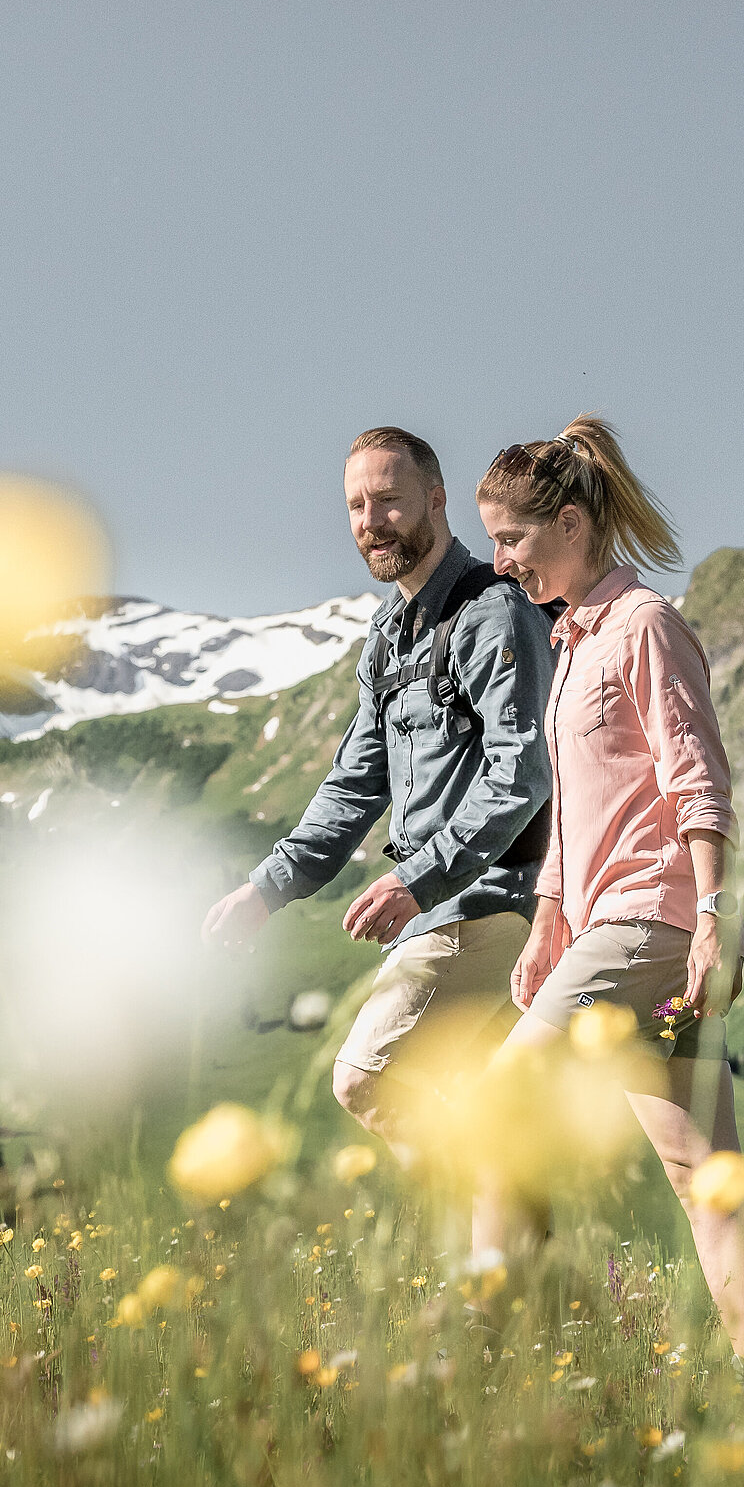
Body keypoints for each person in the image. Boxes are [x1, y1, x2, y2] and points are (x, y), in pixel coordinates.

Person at [473, 417, 744, 1372]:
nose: (500, 561)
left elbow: (697, 775)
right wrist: (548, 916)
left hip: (651, 926)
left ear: (568, 522)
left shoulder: (644, 627)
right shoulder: (574, 646)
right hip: (609, 922)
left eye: (512, 540)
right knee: (703, 1177)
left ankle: (491, 1357)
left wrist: (716, 915)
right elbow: (579, 810)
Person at [203, 426, 556, 1152]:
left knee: (366, 1078)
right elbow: (354, 786)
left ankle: (484, 1236)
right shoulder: (387, 638)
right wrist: (264, 889)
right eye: (357, 506)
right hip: (437, 915)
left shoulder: (494, 614)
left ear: (436, 499)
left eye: (389, 501)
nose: (371, 521)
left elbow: (521, 773)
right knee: (485, 1118)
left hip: (491, 908)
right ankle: (511, 1254)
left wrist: (416, 883)